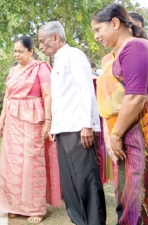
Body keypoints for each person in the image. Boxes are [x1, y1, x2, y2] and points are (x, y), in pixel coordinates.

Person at [91, 3, 148, 224]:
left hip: (141, 129)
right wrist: (112, 134)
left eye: (98, 30)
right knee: (125, 189)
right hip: (121, 128)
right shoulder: (114, 54)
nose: (96, 36)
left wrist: (117, 135)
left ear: (115, 23)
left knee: (142, 191)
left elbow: (135, 97)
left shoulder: (135, 47)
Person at [38, 21, 106, 225]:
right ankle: (79, 221)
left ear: (56, 38)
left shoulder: (73, 55)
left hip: (78, 129)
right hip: (63, 129)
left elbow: (86, 89)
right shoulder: (57, 61)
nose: (41, 47)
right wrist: (54, 126)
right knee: (70, 184)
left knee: (86, 181)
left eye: (42, 42)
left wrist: (87, 124)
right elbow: (63, 98)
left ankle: (94, 222)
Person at [0, 36, 61, 224]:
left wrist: (48, 121)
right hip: (13, 121)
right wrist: (1, 121)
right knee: (13, 163)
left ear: (31, 51)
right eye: (14, 51)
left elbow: (48, 94)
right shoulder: (13, 70)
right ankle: (16, 206)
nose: (16, 54)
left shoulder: (41, 67)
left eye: (20, 51)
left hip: (33, 120)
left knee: (32, 161)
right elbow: (7, 96)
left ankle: (36, 208)